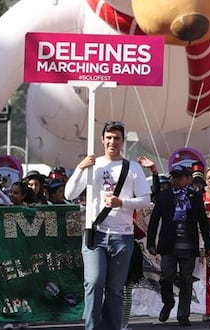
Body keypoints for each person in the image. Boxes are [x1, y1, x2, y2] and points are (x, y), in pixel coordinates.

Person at [64, 121, 153, 330]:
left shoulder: (133, 168)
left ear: (122, 141)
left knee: (114, 289)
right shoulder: (92, 164)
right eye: (109, 137)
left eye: (117, 138)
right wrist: (79, 168)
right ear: (102, 139)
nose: (113, 141)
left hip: (122, 236)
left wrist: (121, 202)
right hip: (95, 234)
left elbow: (145, 200)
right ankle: (92, 327)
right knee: (94, 282)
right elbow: (69, 194)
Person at [148, 165, 210, 326]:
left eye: (179, 176)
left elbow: (203, 222)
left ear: (188, 179)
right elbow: (154, 221)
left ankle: (183, 314)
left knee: (186, 280)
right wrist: (151, 242)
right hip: (168, 246)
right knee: (165, 278)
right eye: (174, 177)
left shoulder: (195, 196)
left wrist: (209, 245)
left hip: (188, 246)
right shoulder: (164, 196)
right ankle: (168, 302)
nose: (176, 180)